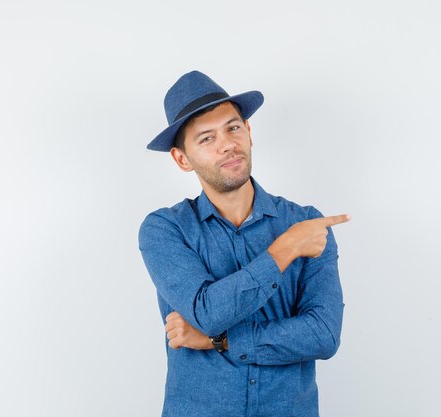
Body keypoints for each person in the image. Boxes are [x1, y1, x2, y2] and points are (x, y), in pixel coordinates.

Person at [137, 70, 351, 417]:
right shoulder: (165, 229)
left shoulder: (306, 221)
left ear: (248, 133)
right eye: (206, 138)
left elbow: (323, 334)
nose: (226, 144)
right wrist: (286, 249)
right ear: (182, 159)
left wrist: (218, 341)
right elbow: (207, 313)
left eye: (233, 128)